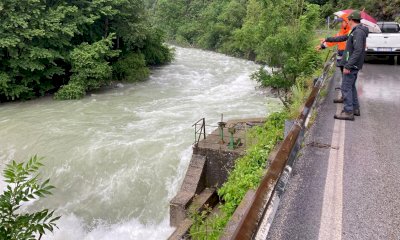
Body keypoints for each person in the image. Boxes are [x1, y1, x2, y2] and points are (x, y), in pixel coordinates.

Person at [322, 10, 369, 121]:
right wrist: (328, 39)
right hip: (353, 64)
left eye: (347, 20)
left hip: (352, 65)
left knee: (346, 87)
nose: (346, 22)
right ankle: (355, 108)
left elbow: (358, 51)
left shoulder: (358, 32)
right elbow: (343, 38)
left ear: (351, 20)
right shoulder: (355, 31)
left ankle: (348, 112)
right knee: (351, 87)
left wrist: (348, 66)